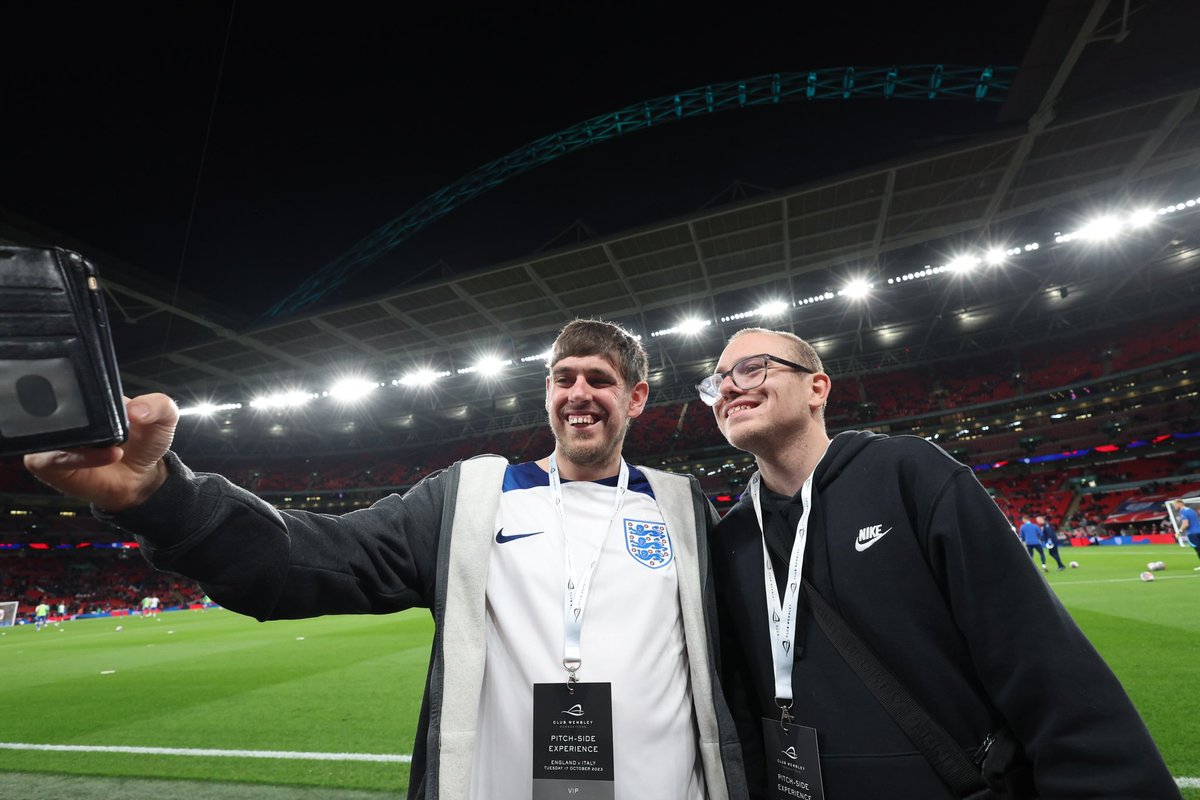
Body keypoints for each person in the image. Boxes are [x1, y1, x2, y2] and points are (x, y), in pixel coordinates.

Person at [25, 319, 746, 800]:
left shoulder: (686, 510)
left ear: (637, 397)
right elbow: (305, 560)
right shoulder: (472, 497)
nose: (578, 394)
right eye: (563, 378)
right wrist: (155, 495)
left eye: (598, 379)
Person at [698, 327, 1179, 799]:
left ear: (816, 388)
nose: (727, 387)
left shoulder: (909, 474)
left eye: (751, 367)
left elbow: (1038, 659)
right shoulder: (731, 538)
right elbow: (740, 706)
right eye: (716, 381)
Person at [1172, 498, 1200, 570]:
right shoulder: (1191, 510)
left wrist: (1179, 531)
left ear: (1179, 503)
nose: (1174, 506)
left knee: (1198, 549)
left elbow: (1186, 523)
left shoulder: (1183, 511)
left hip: (1193, 533)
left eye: (1175, 504)